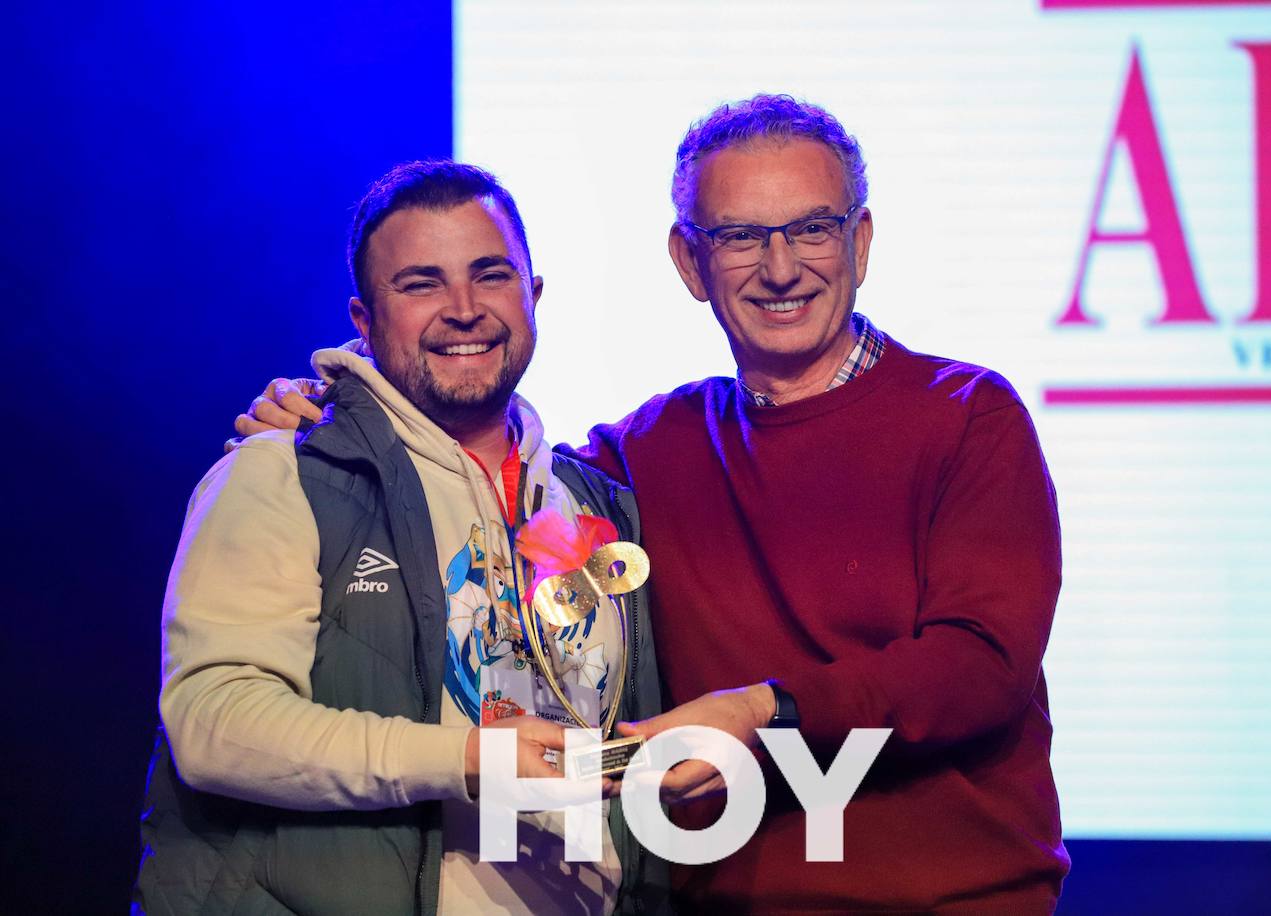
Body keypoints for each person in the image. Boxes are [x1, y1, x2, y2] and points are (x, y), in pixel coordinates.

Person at [242, 94, 1070, 912]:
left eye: (811, 228)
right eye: (740, 236)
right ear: (689, 262)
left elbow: (981, 665)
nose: (780, 267)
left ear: (859, 240)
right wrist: (341, 396)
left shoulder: (966, 416)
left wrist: (762, 711)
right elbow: (478, 459)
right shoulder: (650, 450)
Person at [136, 161, 671, 915]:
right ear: (363, 319)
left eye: (491, 276)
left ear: (533, 295)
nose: (463, 309)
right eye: (420, 284)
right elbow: (214, 724)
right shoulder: (283, 473)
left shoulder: (595, 504)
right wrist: (464, 759)